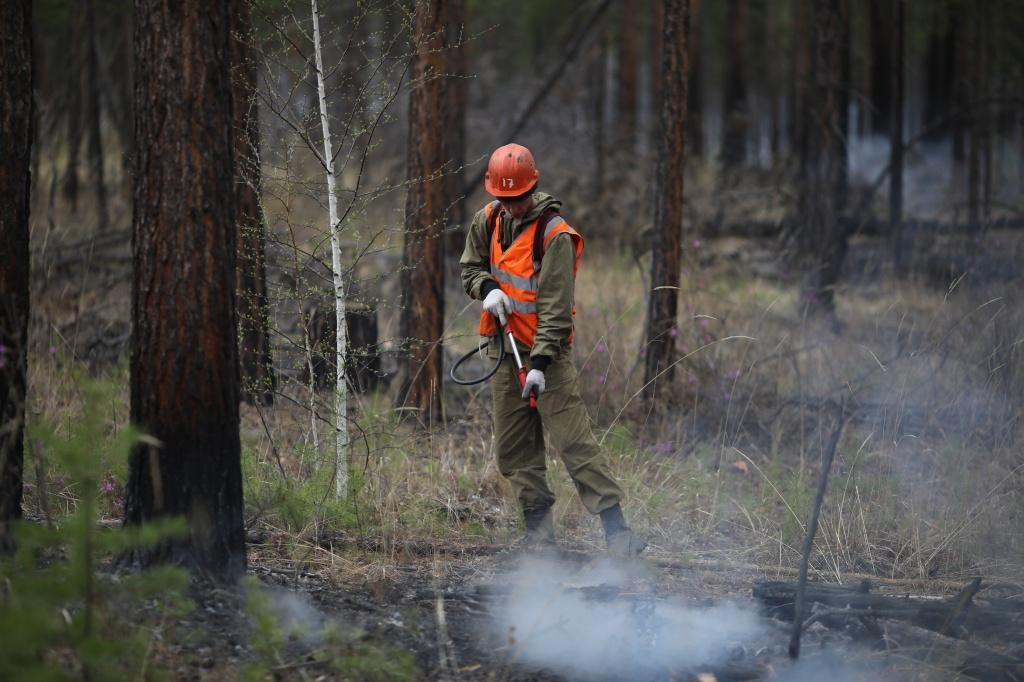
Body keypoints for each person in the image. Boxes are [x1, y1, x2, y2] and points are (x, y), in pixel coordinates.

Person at [459, 143, 645, 557]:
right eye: (503, 199)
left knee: (574, 442)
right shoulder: (486, 220)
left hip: (547, 355)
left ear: (533, 187)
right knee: (515, 450)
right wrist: (486, 288)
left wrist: (540, 364)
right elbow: (470, 268)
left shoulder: (555, 236)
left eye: (517, 198)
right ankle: (540, 542)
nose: (511, 206)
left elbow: (556, 310)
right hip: (501, 351)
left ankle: (620, 536)